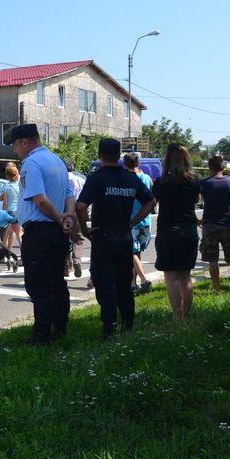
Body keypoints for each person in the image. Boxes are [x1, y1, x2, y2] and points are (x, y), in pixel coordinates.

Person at [76, 138, 155, 338]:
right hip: (124, 236)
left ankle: (109, 326)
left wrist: (84, 229)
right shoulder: (130, 178)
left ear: (100, 155)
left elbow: (81, 206)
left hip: (103, 236)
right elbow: (150, 202)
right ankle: (128, 323)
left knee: (104, 282)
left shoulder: (97, 178)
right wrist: (132, 222)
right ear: (119, 155)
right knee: (124, 282)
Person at [9, 123, 76, 345]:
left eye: (15, 145)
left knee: (39, 284)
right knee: (57, 282)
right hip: (57, 233)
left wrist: (58, 217)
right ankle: (60, 327)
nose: (15, 150)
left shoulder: (31, 163)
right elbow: (69, 195)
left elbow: (39, 199)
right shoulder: (57, 160)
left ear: (24, 142)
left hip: (40, 232)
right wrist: (67, 216)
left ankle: (41, 334)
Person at [152, 143, 200, 320]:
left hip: (167, 232)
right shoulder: (194, 181)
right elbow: (195, 201)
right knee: (185, 276)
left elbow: (153, 203)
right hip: (188, 230)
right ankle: (186, 314)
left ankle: (177, 316)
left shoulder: (161, 182)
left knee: (171, 277)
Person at [200, 155, 230, 293]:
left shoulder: (204, 183)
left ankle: (217, 288)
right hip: (227, 224)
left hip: (209, 225)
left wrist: (196, 220)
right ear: (223, 167)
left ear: (209, 168)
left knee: (213, 259)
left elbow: (192, 201)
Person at [123, 153, 153, 293]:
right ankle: (133, 283)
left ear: (125, 164)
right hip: (145, 219)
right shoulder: (147, 178)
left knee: (131, 252)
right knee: (137, 252)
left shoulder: (128, 179)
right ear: (138, 163)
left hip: (132, 219)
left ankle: (143, 279)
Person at [62, 160, 86, 279]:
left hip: (64, 210)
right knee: (78, 238)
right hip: (78, 209)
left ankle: (66, 267)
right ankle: (76, 259)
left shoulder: (61, 178)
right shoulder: (81, 178)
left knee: (64, 237)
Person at [0, 163, 22, 251]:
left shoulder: (6, 186)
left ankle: (4, 254)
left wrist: (3, 213)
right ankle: (24, 253)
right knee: (19, 235)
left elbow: (5, 202)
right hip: (18, 212)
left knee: (5, 235)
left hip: (9, 212)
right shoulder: (20, 185)